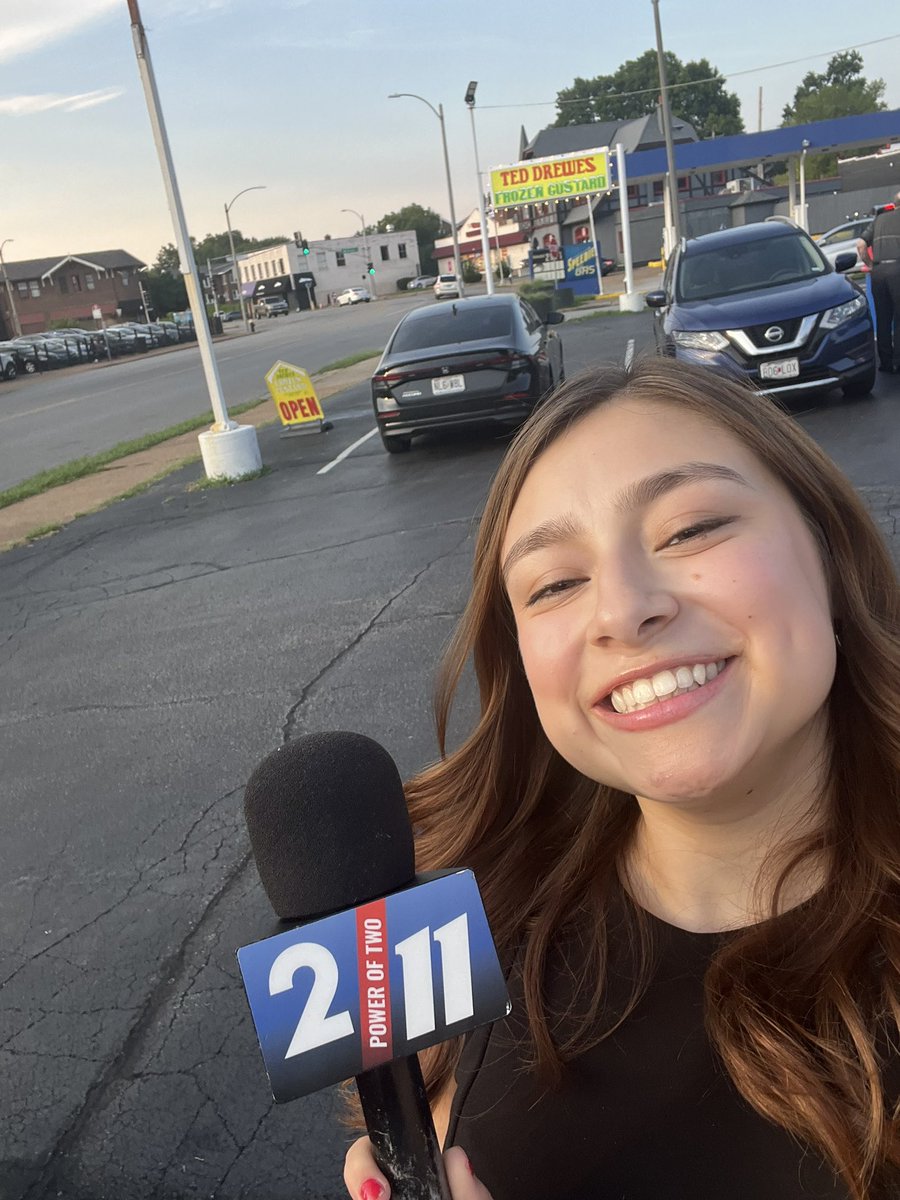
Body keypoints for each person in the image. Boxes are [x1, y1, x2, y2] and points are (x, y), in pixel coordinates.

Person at [344, 358, 900, 1200]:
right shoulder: (439, 913)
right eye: (556, 583)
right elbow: (392, 1120)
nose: (622, 610)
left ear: (830, 549)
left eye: (691, 529)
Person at [857, 193, 900, 373]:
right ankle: (899, 360)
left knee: (883, 319)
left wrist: (870, 264)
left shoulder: (879, 219)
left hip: (878, 273)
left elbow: (860, 244)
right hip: (897, 270)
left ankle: (886, 362)